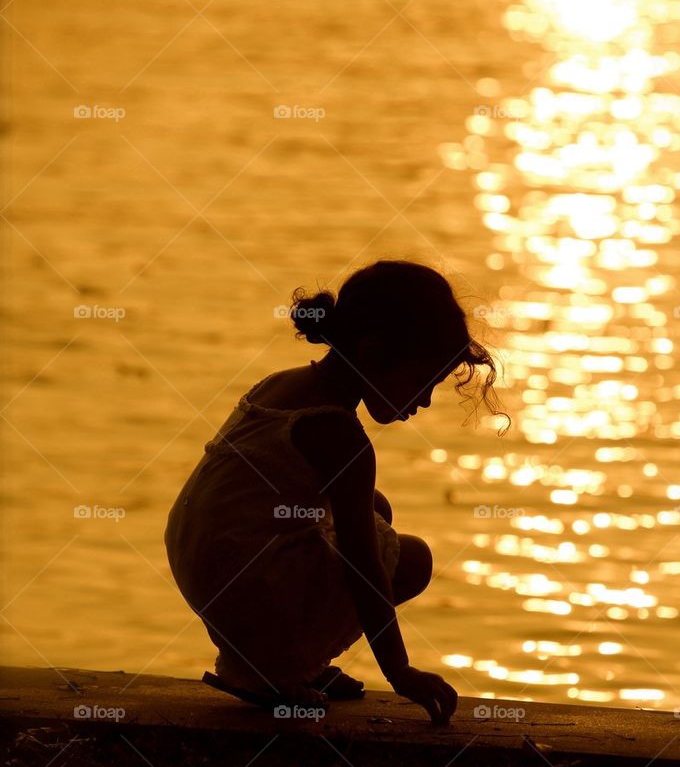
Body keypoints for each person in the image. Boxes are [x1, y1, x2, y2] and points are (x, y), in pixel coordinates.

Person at [164, 260, 502, 724]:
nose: (423, 402)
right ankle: (273, 669)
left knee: (374, 506)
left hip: (206, 568)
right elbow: (364, 568)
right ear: (373, 351)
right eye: (424, 383)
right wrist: (400, 671)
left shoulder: (282, 383)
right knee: (414, 558)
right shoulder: (340, 435)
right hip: (247, 586)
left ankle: (283, 661)